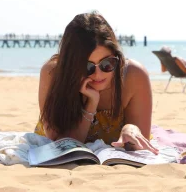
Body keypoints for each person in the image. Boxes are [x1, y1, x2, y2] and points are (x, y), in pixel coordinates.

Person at [34, 11, 158, 154]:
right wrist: (91, 104)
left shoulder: (133, 75)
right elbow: (60, 143)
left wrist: (131, 128)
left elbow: (142, 144)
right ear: (71, 64)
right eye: (87, 66)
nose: (98, 74)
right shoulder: (53, 73)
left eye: (107, 63)